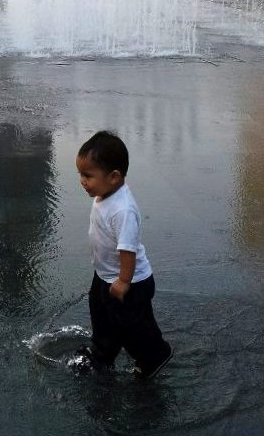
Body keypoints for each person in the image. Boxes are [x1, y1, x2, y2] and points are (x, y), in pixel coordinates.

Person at [74, 131, 173, 378]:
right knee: (101, 313)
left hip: (131, 283)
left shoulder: (123, 209)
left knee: (134, 324)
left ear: (114, 177)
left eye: (88, 176)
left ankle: (155, 355)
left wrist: (123, 281)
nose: (82, 181)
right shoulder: (104, 194)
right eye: (81, 174)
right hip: (105, 275)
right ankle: (102, 352)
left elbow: (127, 250)